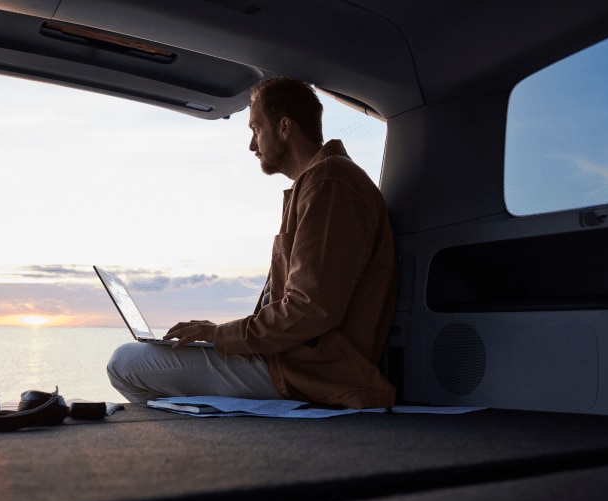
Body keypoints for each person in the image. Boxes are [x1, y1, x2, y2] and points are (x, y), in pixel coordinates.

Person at [107, 77, 397, 409]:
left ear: (284, 128)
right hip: (284, 360)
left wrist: (219, 335)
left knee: (126, 362)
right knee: (146, 358)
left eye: (256, 129)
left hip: (306, 372)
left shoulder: (329, 184)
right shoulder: (318, 184)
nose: (251, 145)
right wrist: (219, 335)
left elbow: (310, 310)